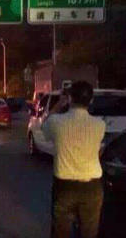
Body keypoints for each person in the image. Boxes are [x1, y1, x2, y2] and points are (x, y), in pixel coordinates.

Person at [42, 81, 105, 238]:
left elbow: (45, 127)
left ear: (69, 98)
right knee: (89, 233)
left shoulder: (57, 122)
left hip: (65, 186)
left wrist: (58, 105)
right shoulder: (100, 124)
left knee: (60, 232)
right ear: (90, 101)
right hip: (92, 186)